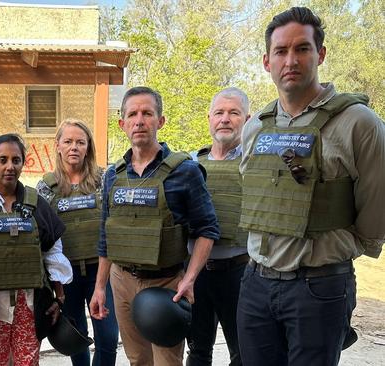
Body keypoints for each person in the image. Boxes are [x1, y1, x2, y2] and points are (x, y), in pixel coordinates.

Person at [237, 7, 385, 366]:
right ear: (266, 61)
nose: (291, 60)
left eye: (302, 49)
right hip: (256, 284)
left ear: (320, 55)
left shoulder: (358, 123)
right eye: (281, 51)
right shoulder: (255, 126)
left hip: (318, 287)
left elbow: (375, 213)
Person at [89, 86, 219, 366]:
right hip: (122, 281)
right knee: (137, 360)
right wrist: (100, 288)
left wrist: (190, 279)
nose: (139, 121)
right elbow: (106, 236)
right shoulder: (113, 175)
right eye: (132, 114)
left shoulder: (185, 171)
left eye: (147, 113)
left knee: (167, 362)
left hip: (166, 283)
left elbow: (207, 229)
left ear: (160, 121)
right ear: (122, 124)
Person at [0, 133, 72, 366]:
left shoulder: (36, 203)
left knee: (28, 361)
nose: (9, 166)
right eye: (2, 160)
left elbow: (52, 252)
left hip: (28, 305)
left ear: (22, 163)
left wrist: (59, 298)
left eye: (15, 160)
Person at [36, 118, 119, 366]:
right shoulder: (46, 187)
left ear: (88, 147)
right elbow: (42, 235)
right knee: (75, 336)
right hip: (66, 276)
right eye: (68, 141)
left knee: (107, 337)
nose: (74, 147)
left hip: (101, 272)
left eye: (80, 142)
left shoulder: (105, 179)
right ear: (58, 146)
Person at [186, 88, 250, 366]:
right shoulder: (189, 163)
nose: (225, 119)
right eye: (219, 113)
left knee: (243, 352)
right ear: (209, 118)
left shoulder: (255, 162)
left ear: (246, 119)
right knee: (198, 351)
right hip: (196, 274)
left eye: (234, 113)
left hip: (239, 272)